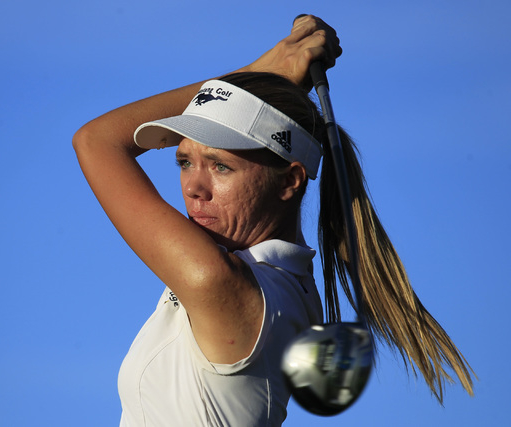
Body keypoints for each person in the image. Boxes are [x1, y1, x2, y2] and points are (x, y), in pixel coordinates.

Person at [73, 15, 475, 426]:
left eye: (221, 166)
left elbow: (96, 141)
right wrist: (251, 84)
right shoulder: (275, 280)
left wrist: (262, 72)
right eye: (184, 161)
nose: (194, 187)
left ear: (290, 181)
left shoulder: (218, 278)